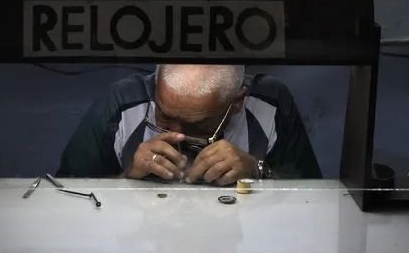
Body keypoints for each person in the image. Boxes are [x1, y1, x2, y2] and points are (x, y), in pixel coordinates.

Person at [57, 64, 321, 184]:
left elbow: (315, 205)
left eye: (197, 126)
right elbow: (64, 201)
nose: (177, 137)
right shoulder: (123, 102)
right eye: (163, 118)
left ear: (237, 102)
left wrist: (259, 172)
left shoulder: (269, 103)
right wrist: (127, 180)